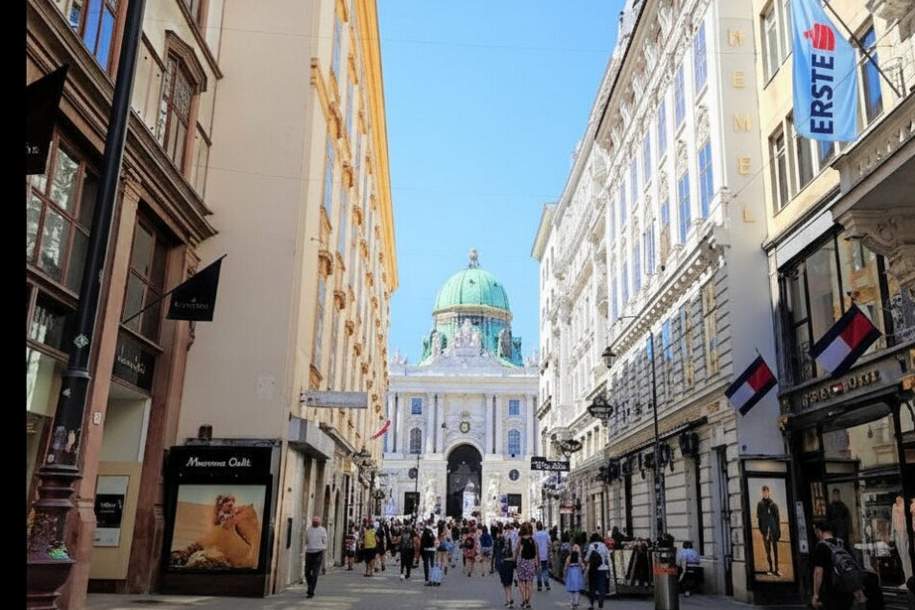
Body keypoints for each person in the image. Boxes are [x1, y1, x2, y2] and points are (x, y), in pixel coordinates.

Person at [811, 521, 864, 610]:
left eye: (815, 531)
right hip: (847, 589)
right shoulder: (842, 543)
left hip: (832, 590)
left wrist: (816, 595)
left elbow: (818, 572)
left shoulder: (821, 547)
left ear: (819, 531)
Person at [756, 485, 781, 577]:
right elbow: (759, 519)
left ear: (769, 492)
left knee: (775, 550)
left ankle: (776, 569)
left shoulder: (773, 504)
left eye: (766, 491)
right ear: (762, 493)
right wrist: (762, 530)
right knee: (768, 551)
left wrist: (778, 531)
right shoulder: (760, 504)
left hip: (773, 531)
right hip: (765, 531)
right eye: (764, 492)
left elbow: (777, 519)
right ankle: (770, 568)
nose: (765, 493)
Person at [584, 532, 611, 610]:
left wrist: (585, 563)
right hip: (603, 569)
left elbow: (587, 558)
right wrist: (608, 567)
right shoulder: (604, 546)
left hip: (593, 569)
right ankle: (600, 603)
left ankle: (592, 604)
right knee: (601, 586)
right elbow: (608, 557)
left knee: (592, 587)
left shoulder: (591, 546)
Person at [515, 522, 538, 609]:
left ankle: (524, 599)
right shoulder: (533, 540)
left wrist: (515, 560)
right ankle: (528, 601)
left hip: (522, 562)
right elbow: (535, 553)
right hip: (531, 562)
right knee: (529, 583)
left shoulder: (520, 540)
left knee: (521, 582)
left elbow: (518, 552)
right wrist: (536, 563)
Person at [304, 516, 327, 599]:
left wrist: (323, 549)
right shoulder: (308, 530)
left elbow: (325, 541)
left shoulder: (322, 530)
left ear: (319, 522)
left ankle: (311, 591)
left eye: (317, 522)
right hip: (309, 552)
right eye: (314, 522)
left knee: (315, 573)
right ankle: (310, 586)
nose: (315, 523)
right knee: (306, 572)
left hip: (318, 552)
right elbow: (306, 540)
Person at [497, 524, 516, 607]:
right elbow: (514, 552)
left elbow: (497, 554)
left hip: (503, 563)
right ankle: (509, 598)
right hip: (510, 562)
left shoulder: (499, 541)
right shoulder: (511, 540)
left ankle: (508, 600)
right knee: (509, 583)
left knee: (505, 583)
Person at [564, 544, 585, 609]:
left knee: (571, 589)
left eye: (576, 548)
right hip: (577, 573)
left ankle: (571, 603)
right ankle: (576, 603)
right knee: (577, 589)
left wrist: (564, 573)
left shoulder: (569, 557)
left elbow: (565, 567)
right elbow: (583, 566)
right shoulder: (579, 558)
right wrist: (583, 569)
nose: (576, 549)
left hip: (570, 573)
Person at [533, 521, 552, 592]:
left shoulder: (534, 535)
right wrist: (549, 552)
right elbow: (549, 543)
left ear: (537, 527)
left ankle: (539, 585)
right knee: (545, 569)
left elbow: (533, 545)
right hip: (545, 555)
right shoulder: (546, 534)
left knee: (538, 570)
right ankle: (547, 584)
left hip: (537, 555)